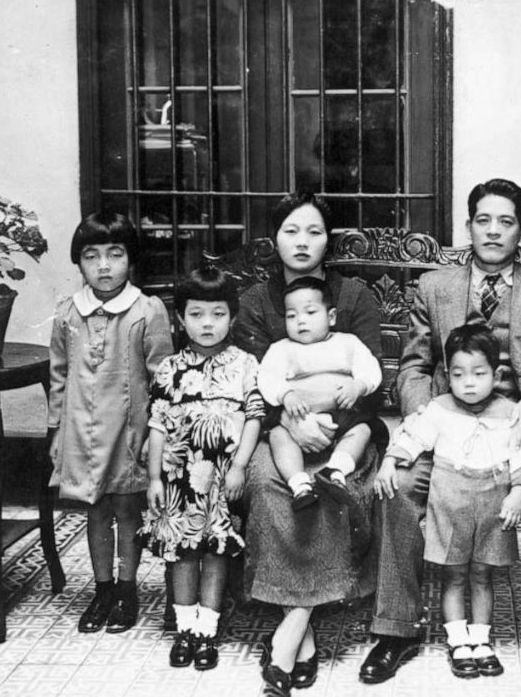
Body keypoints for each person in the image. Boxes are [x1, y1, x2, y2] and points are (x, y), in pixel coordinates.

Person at [362, 178, 521, 696]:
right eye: (484, 220)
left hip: (517, 432)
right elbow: (415, 366)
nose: (494, 230)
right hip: (447, 432)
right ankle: (396, 629)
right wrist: (431, 419)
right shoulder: (435, 286)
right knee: (397, 491)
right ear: (468, 227)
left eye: (506, 222)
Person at [233, 191, 385, 696]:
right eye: (291, 231)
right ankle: (305, 626)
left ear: (329, 239)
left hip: (349, 431)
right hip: (280, 433)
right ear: (273, 238)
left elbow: (370, 379)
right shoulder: (256, 301)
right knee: (274, 486)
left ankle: (291, 630)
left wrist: (321, 406)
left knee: (331, 486)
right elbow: (255, 379)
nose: (302, 242)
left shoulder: (354, 297)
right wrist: (289, 418)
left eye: (314, 231)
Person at [377, 323, 521, 679]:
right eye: (459, 374)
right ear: (448, 374)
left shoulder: (509, 412)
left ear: (497, 374)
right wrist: (389, 461)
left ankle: (481, 640)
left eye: (479, 374)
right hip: (450, 502)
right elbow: (413, 439)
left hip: (493, 504)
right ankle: (457, 640)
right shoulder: (439, 408)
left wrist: (518, 493)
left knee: (483, 575)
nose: (469, 383)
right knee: (454, 574)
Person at [47, 212, 173, 634]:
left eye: (115, 254)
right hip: (81, 433)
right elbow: (59, 376)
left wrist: (158, 437)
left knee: (126, 509)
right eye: (91, 256)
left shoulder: (146, 310)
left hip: (130, 433)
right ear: (79, 263)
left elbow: (162, 377)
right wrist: (55, 432)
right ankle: (101, 590)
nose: (103, 266)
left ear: (130, 260)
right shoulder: (68, 312)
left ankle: (126, 588)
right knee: (95, 510)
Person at [140, 266, 263, 670]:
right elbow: (157, 423)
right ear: (180, 318)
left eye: (217, 313)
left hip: (222, 479)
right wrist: (155, 476)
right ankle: (184, 629)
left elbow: (253, 418)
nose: (207, 323)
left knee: (216, 552)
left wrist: (240, 466)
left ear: (232, 316)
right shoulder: (170, 368)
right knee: (182, 554)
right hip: (179, 479)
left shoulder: (246, 364)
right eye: (196, 314)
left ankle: (207, 630)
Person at [257, 276, 382, 510]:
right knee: (278, 436)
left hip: (342, 416)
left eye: (310, 313)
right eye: (291, 316)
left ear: (331, 316)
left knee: (362, 430)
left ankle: (336, 470)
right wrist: (285, 395)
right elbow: (267, 377)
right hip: (299, 419)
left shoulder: (348, 343)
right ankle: (299, 483)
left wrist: (359, 386)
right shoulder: (281, 349)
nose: (300, 321)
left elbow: (370, 369)